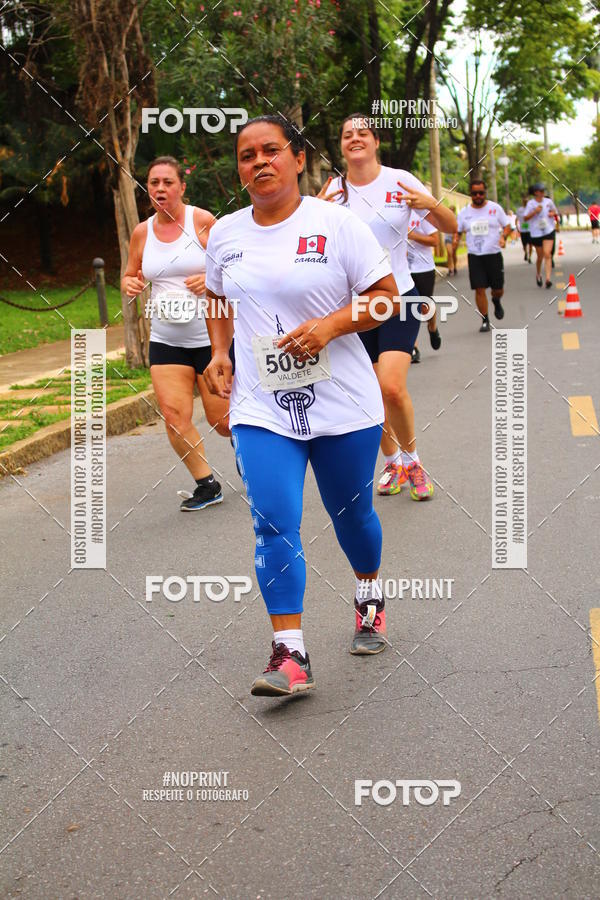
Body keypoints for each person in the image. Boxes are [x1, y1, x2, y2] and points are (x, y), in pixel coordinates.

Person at [203, 114, 401, 697]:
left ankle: (368, 591)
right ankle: (290, 654)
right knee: (272, 520)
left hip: (342, 403)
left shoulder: (337, 225)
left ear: (296, 158)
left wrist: (333, 326)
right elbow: (217, 298)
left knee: (352, 516)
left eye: (271, 150)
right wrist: (219, 352)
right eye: (246, 155)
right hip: (262, 405)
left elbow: (388, 302)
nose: (259, 162)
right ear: (239, 170)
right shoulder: (226, 234)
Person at [318, 114, 457, 499]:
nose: (355, 138)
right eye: (347, 134)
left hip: (399, 297)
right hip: (355, 307)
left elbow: (447, 226)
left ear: (375, 141)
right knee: (368, 390)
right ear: (342, 146)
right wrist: (313, 210)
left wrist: (431, 203)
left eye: (362, 133)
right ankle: (392, 462)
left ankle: (412, 459)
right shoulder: (332, 190)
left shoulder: (400, 181)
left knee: (390, 386)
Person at [122, 156, 230, 511]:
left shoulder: (201, 221)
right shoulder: (142, 232)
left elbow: (233, 268)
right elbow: (129, 274)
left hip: (210, 339)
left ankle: (252, 464)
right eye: (154, 183)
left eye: (168, 182)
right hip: (167, 339)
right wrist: (132, 283)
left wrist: (211, 279)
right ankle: (207, 484)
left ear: (181, 188)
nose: (160, 188)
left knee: (223, 421)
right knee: (173, 416)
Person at [453, 179, 512, 333]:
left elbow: (507, 226)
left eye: (481, 193)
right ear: (470, 194)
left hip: (493, 254)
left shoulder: (495, 208)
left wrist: (503, 237)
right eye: (474, 193)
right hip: (475, 255)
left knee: (497, 288)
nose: (478, 196)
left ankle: (496, 300)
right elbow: (458, 232)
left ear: (485, 193)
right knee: (479, 288)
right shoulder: (464, 213)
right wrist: (455, 242)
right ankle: (485, 319)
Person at [406, 212, 441, 365]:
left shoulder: (421, 215)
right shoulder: (389, 214)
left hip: (423, 268)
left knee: (425, 307)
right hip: (402, 270)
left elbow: (435, 240)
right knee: (409, 309)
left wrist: (413, 235)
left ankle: (432, 327)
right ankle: (413, 348)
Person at [524, 182, 559, 288]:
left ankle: (548, 279)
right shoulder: (531, 204)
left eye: (544, 191)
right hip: (536, 232)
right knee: (540, 256)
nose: (543, 193)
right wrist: (535, 212)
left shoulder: (548, 202)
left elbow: (555, 212)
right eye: (541, 191)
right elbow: (525, 218)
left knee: (547, 254)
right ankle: (538, 274)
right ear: (536, 193)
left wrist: (551, 214)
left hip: (548, 230)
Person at [516, 196, 532, 263]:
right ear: (523, 203)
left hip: (530, 229)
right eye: (524, 202)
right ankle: (526, 253)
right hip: (523, 229)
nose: (525, 203)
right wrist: (517, 227)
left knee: (531, 244)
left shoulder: (531, 209)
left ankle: (530, 257)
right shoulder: (519, 210)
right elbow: (516, 219)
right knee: (524, 244)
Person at [445, 205, 458, 274]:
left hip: (454, 237)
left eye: (452, 210)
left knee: (453, 254)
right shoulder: (445, 218)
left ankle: (455, 267)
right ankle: (450, 269)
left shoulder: (456, 218)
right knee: (449, 253)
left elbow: (457, 230)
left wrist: (455, 239)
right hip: (447, 237)